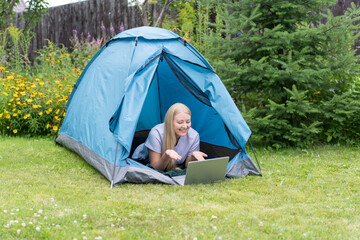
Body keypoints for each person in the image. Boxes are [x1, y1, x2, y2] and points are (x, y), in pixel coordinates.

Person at [132, 103, 207, 171]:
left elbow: (187, 165)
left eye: (188, 122)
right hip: (143, 159)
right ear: (170, 122)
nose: (185, 126)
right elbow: (155, 168)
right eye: (180, 122)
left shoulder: (194, 136)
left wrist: (193, 156)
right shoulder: (156, 133)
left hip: (171, 163)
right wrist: (166, 156)